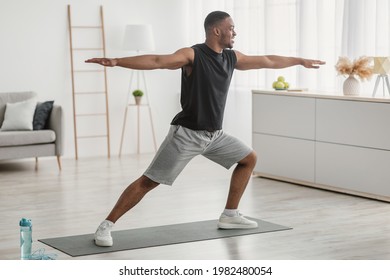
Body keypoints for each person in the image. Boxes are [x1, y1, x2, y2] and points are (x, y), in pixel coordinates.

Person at [86, 11, 325, 247]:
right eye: (231, 28)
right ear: (216, 30)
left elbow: (268, 60)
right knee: (149, 181)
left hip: (215, 135)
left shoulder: (231, 58)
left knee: (248, 159)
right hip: (186, 135)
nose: (235, 32)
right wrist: (117, 62)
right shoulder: (192, 55)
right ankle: (106, 226)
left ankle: (230, 215)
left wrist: (299, 61)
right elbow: (158, 61)